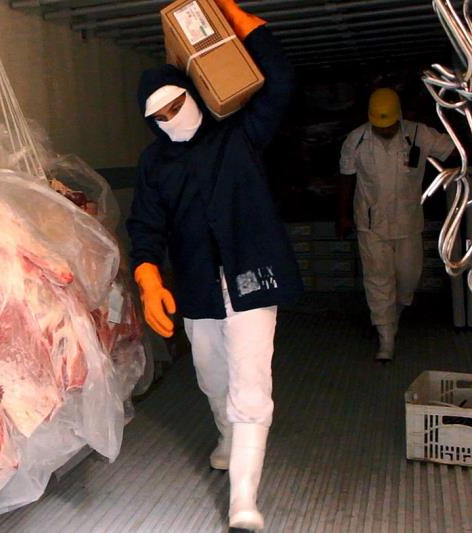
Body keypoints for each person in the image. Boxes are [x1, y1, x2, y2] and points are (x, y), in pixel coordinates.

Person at [126, 2, 302, 530]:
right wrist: (148, 278)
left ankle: (243, 499)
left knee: (250, 385)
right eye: (157, 117)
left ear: (192, 93)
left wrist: (231, 13)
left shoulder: (239, 135)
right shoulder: (155, 162)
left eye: (175, 105)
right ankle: (227, 439)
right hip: (199, 286)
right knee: (210, 376)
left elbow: (280, 79)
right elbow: (145, 226)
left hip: (252, 277)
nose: (169, 119)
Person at [338, 88, 454, 361]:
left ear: (399, 117)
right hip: (371, 224)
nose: (385, 130)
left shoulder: (419, 134)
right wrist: (342, 215)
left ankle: (396, 312)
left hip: (408, 222)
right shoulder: (356, 140)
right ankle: (385, 336)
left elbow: (454, 150)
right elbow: (346, 178)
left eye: (389, 126)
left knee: (408, 276)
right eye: (380, 126)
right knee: (378, 279)